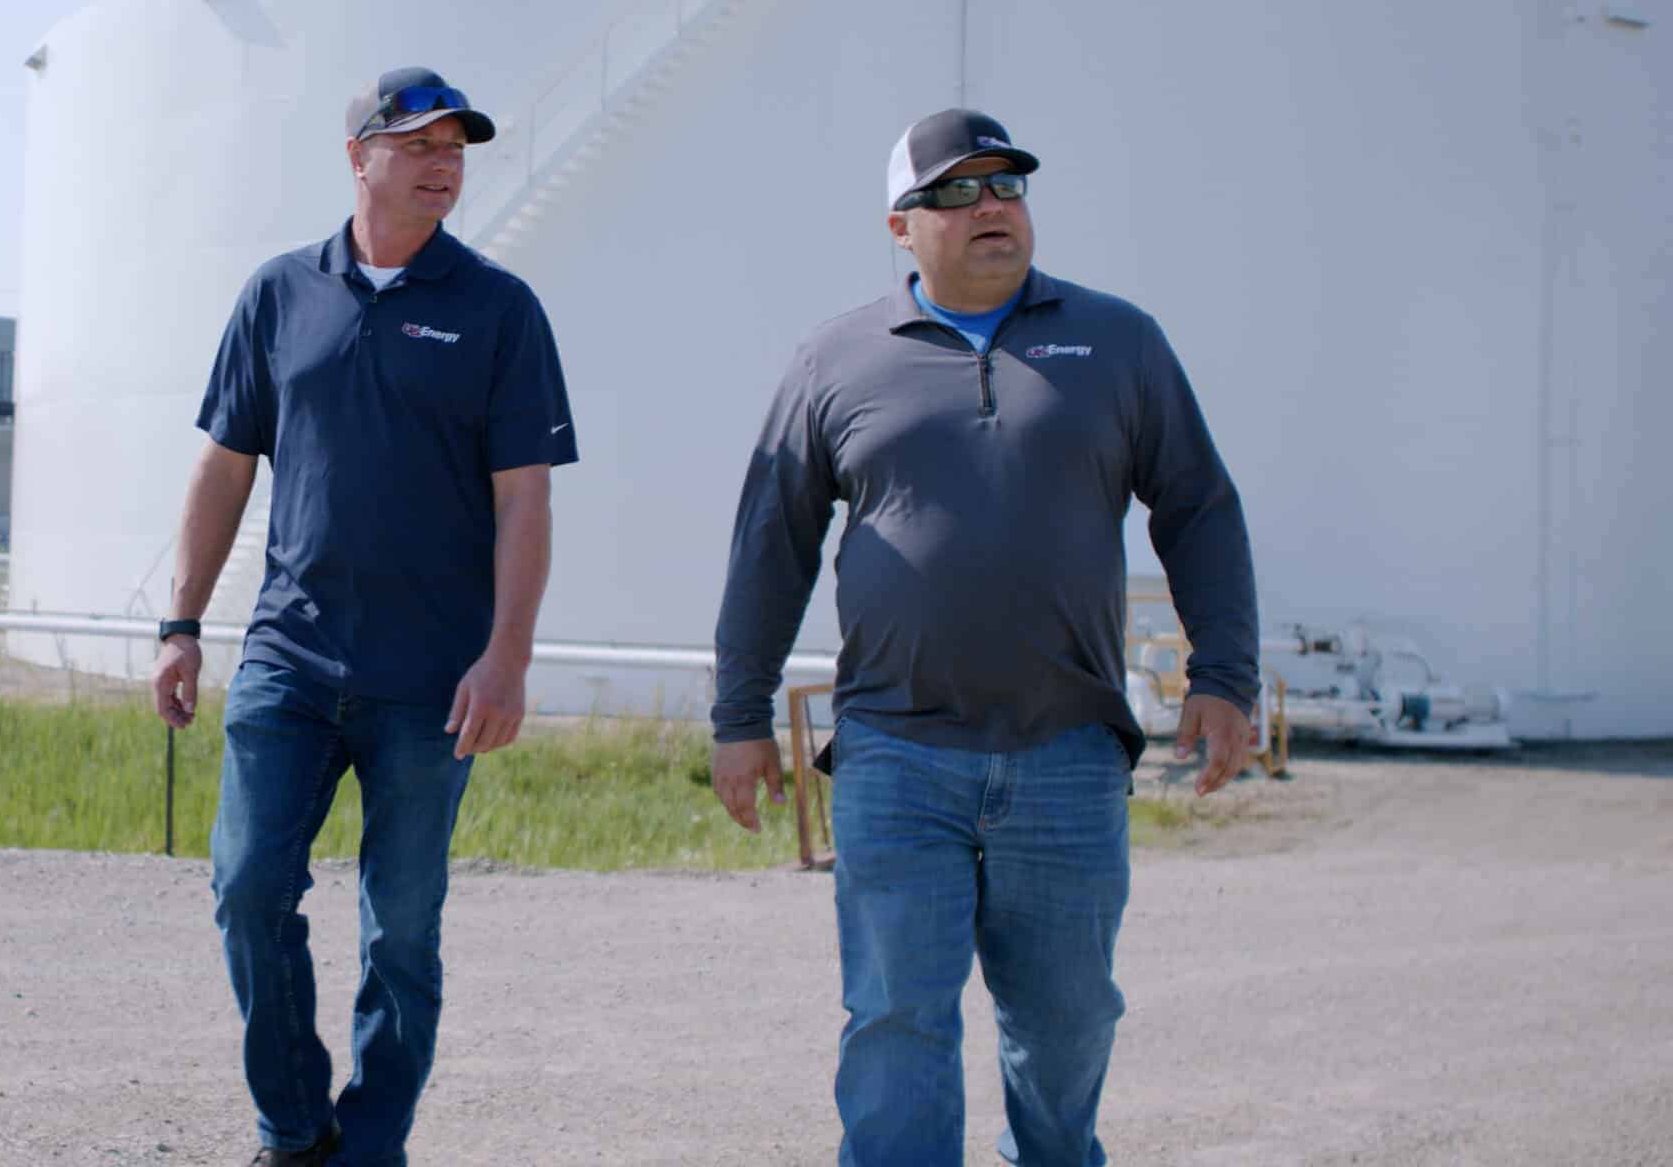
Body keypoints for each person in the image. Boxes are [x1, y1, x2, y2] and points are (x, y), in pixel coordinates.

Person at [708, 108, 1261, 1166]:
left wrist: (1223, 675)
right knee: (894, 1021)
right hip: (894, 753)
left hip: (1067, 755)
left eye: (1005, 186)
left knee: (1065, 1029)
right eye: (954, 193)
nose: (989, 208)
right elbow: (768, 542)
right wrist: (739, 718)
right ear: (899, 226)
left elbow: (1197, 507)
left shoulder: (1118, 341)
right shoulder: (834, 359)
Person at [150, 67, 578, 1167]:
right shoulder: (279, 295)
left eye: (457, 148)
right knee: (248, 891)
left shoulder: (497, 309)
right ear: (359, 156)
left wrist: (507, 658)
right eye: (419, 143)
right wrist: (181, 623)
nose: (444, 164)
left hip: (433, 678)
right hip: (290, 659)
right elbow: (223, 464)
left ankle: (371, 1143)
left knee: (401, 932)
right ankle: (295, 1130)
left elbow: (523, 495)